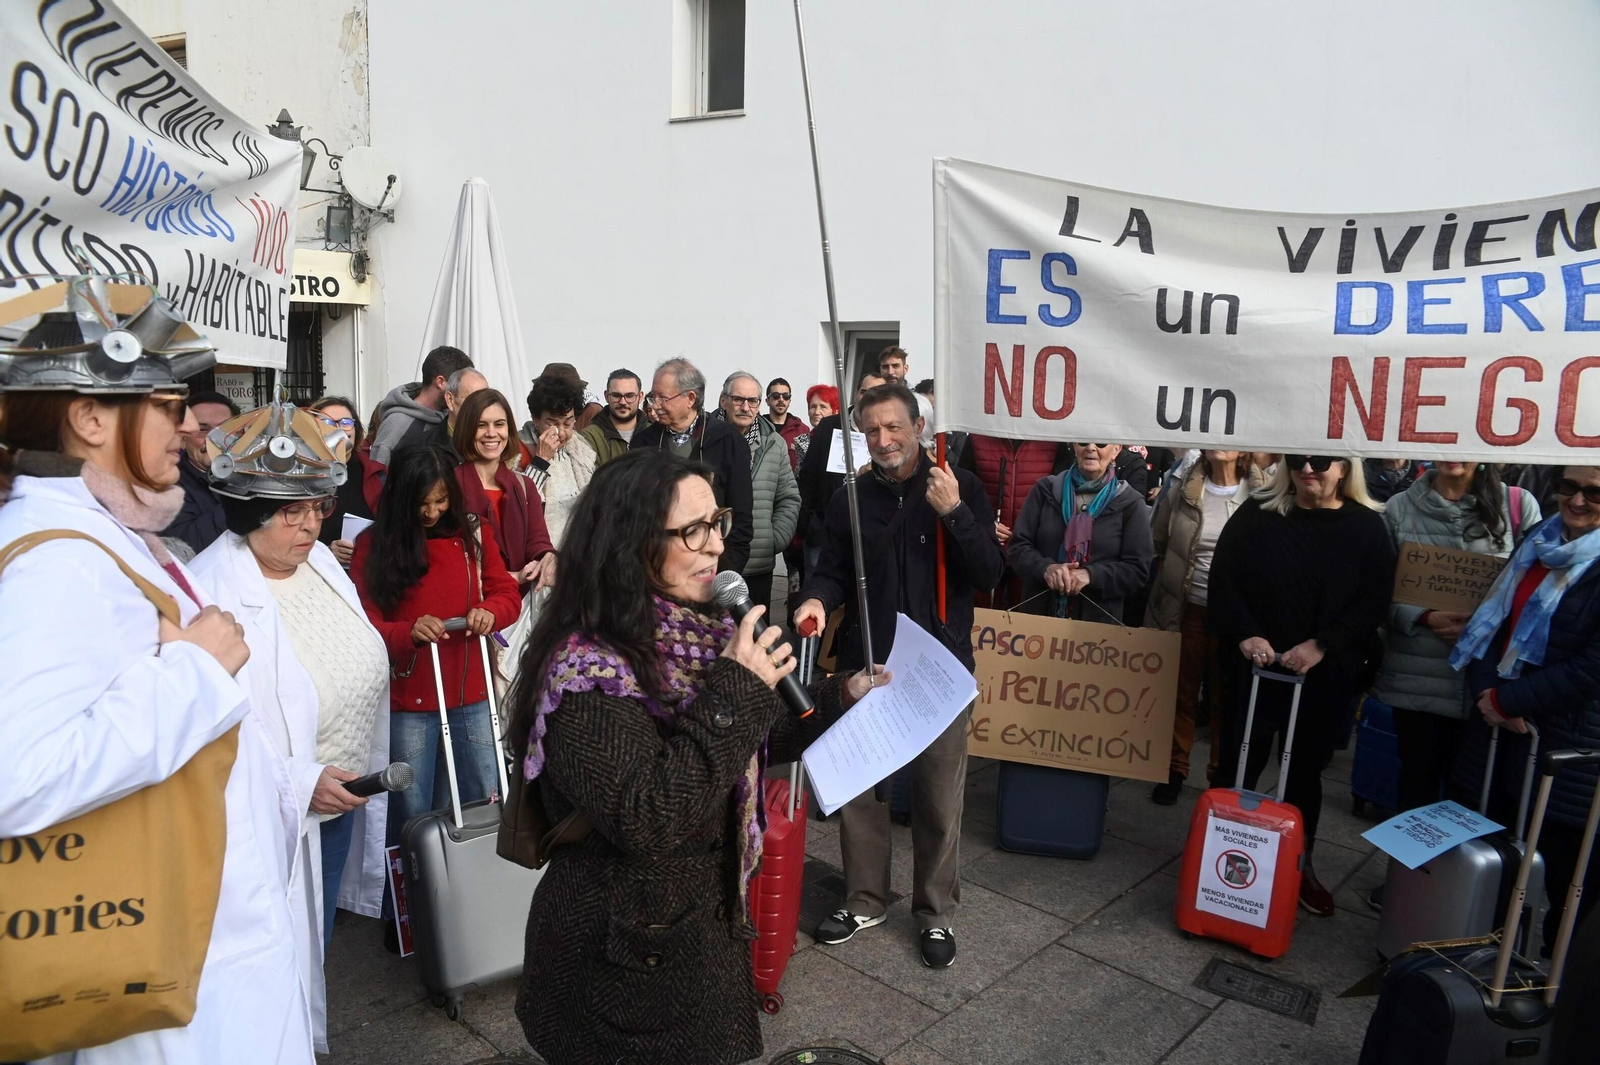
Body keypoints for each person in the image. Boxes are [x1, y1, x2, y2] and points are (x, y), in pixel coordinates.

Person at [0, 281, 313, 1061]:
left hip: (201, 955)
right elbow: (17, 773)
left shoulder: (106, 536)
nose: (187, 429)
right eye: (168, 405)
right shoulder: (59, 562)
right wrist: (197, 672)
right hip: (166, 983)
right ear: (89, 417)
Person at [507, 450, 886, 1065]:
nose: (715, 547)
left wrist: (838, 694)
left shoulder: (698, 634)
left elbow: (745, 742)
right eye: (692, 531)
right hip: (623, 958)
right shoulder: (586, 670)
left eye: (718, 523)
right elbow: (648, 816)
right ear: (630, 543)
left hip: (692, 932)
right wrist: (738, 685)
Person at [190, 402, 391, 1048]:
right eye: (292, 511)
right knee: (268, 957)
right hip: (277, 815)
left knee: (313, 939)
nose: (310, 525)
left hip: (337, 799)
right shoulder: (212, 590)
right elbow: (217, 738)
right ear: (250, 514)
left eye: (318, 507)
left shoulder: (319, 563)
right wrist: (302, 780)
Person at [794, 383, 1004, 968]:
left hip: (939, 669)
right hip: (870, 666)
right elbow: (830, 569)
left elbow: (988, 571)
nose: (883, 440)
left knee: (939, 799)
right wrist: (814, 599)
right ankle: (864, 898)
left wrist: (955, 513)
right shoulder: (850, 498)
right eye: (872, 430)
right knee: (862, 792)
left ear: (919, 428)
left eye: (894, 428)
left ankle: (935, 913)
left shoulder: (957, 487)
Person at [1207, 455, 1394, 916]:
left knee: (1304, 773)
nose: (1308, 468)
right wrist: (1246, 632)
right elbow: (1224, 578)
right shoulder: (1260, 513)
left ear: (1346, 467)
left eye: (1321, 461)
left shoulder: (1366, 527)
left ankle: (1299, 864)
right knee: (1237, 762)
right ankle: (1213, 861)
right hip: (1253, 666)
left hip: (1321, 673)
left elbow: (1374, 601)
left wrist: (1323, 645)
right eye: (1298, 459)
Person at [1452, 465, 1600, 944]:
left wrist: (1507, 697)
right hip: (1503, 731)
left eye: (1594, 493)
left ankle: (1563, 989)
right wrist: (1486, 690)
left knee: (1567, 877)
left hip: (1568, 744)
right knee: (1497, 856)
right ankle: (1489, 954)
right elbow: (1492, 617)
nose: (1576, 501)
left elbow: (1593, 668)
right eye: (1568, 487)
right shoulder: (1540, 537)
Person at [350, 445, 522, 848]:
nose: (431, 512)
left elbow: (505, 592)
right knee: (411, 806)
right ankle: (412, 896)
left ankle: (479, 883)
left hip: (471, 689)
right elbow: (363, 621)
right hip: (410, 697)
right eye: (421, 503)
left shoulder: (473, 533)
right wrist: (406, 632)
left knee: (482, 795)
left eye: (441, 501)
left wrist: (491, 611)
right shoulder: (373, 544)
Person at [1370, 462, 1539, 815]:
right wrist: (1424, 617)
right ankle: (1411, 871)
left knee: (1476, 796)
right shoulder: (1401, 507)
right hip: (1417, 678)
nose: (1454, 454)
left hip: (1484, 680)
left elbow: (1535, 593)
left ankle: (1463, 871)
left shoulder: (1518, 505)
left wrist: (1484, 626)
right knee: (1417, 784)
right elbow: (1374, 591)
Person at [1143, 450, 1265, 803]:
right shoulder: (1185, 483)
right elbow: (1158, 539)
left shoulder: (1262, 491)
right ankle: (1174, 770)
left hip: (1234, 618)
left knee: (1224, 700)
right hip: (1186, 608)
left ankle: (1218, 777)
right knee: (1179, 693)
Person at [1008, 442, 1155, 626]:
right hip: (1038, 622)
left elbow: (1138, 569)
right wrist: (1045, 569)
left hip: (1096, 629)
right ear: (1074, 447)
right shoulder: (1044, 490)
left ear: (1116, 450)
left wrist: (1090, 575)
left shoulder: (1130, 503)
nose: (1091, 448)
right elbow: (1018, 547)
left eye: (1101, 443)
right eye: (1084, 442)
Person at [632, 357, 755, 574]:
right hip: (658, 567)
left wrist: (725, 572)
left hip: (712, 564)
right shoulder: (644, 442)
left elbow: (740, 517)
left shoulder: (727, 441)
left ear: (690, 398)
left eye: (663, 397)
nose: (655, 405)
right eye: (653, 397)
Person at [452, 387, 558, 592]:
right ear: (466, 429)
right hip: (472, 610)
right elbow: (452, 563)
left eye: (499, 424)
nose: (491, 433)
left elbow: (538, 542)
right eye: (481, 425)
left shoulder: (525, 486)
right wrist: (512, 577)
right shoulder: (449, 487)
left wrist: (547, 558)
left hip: (521, 610)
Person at [715, 371, 799, 608]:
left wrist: (774, 539)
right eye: (738, 399)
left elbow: (789, 497)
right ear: (723, 400)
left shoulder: (774, 442)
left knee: (756, 636)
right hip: (713, 560)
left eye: (752, 401)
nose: (745, 407)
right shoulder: (705, 439)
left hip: (758, 562)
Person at [958, 435, 1070, 606]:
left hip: (1032, 550)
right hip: (987, 548)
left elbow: (1063, 494)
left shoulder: (1052, 438)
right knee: (983, 616)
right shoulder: (977, 436)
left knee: (1027, 618)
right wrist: (982, 523)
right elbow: (961, 490)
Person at [363, 345, 475, 508]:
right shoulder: (398, 424)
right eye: (458, 383)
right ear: (441, 382)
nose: (460, 391)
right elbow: (378, 480)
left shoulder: (448, 417)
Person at [797, 373, 885, 579]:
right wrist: (807, 525)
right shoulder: (828, 427)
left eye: (877, 393)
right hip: (824, 534)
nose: (869, 398)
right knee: (816, 596)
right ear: (855, 394)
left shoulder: (885, 433)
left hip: (868, 536)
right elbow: (808, 477)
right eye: (864, 392)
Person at [520, 374, 598, 547]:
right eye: (553, 423)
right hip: (541, 552)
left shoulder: (581, 449)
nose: (561, 432)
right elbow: (518, 505)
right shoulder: (518, 450)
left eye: (568, 423)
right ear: (536, 419)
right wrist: (540, 460)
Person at [165, 389, 238, 556]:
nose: (214, 438)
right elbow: (188, 547)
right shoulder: (167, 486)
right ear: (183, 440)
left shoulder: (254, 474)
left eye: (225, 428)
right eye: (202, 429)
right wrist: (242, 499)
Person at [310, 395, 374, 566]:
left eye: (345, 422)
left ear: (356, 429)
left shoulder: (372, 473)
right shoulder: (304, 475)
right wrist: (326, 551)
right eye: (327, 423)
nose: (338, 430)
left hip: (366, 575)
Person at [577, 367, 643, 465]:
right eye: (616, 395)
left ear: (640, 397)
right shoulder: (590, 437)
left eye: (629, 396)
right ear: (606, 396)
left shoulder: (657, 435)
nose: (623, 402)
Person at [765, 376, 809, 468]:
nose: (781, 399)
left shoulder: (802, 430)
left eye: (786, 396)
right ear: (767, 401)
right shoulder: (757, 427)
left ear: (789, 401)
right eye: (776, 396)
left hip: (791, 482)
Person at [443, 367, 489, 439]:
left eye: (485, 400)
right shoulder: (424, 446)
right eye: (471, 399)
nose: (481, 406)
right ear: (450, 400)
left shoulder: (497, 441)